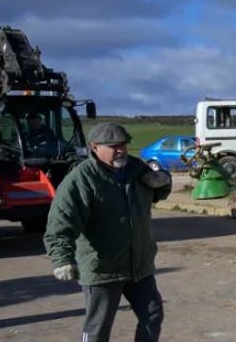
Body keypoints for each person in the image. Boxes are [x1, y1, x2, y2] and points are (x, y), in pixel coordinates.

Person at [44, 123, 172, 342]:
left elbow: (157, 193)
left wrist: (163, 181)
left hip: (139, 267)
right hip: (102, 270)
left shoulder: (135, 168)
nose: (121, 150)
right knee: (98, 328)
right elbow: (60, 222)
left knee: (153, 315)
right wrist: (61, 258)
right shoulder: (82, 179)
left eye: (123, 144)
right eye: (113, 146)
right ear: (95, 147)